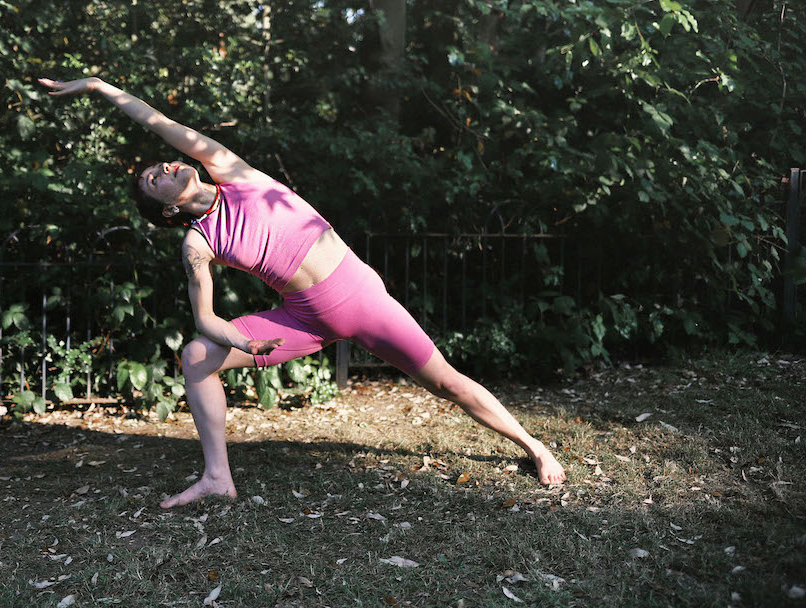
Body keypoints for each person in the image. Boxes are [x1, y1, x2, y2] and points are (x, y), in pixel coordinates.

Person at [38, 76, 566, 507]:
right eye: (157, 177)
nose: (169, 164)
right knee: (198, 355)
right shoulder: (198, 243)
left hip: (360, 298)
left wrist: (99, 87)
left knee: (447, 383)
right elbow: (205, 319)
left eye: (164, 163)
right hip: (305, 319)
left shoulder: (232, 171)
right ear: (169, 210)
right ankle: (218, 476)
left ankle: (533, 446)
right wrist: (243, 342)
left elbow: (160, 121)